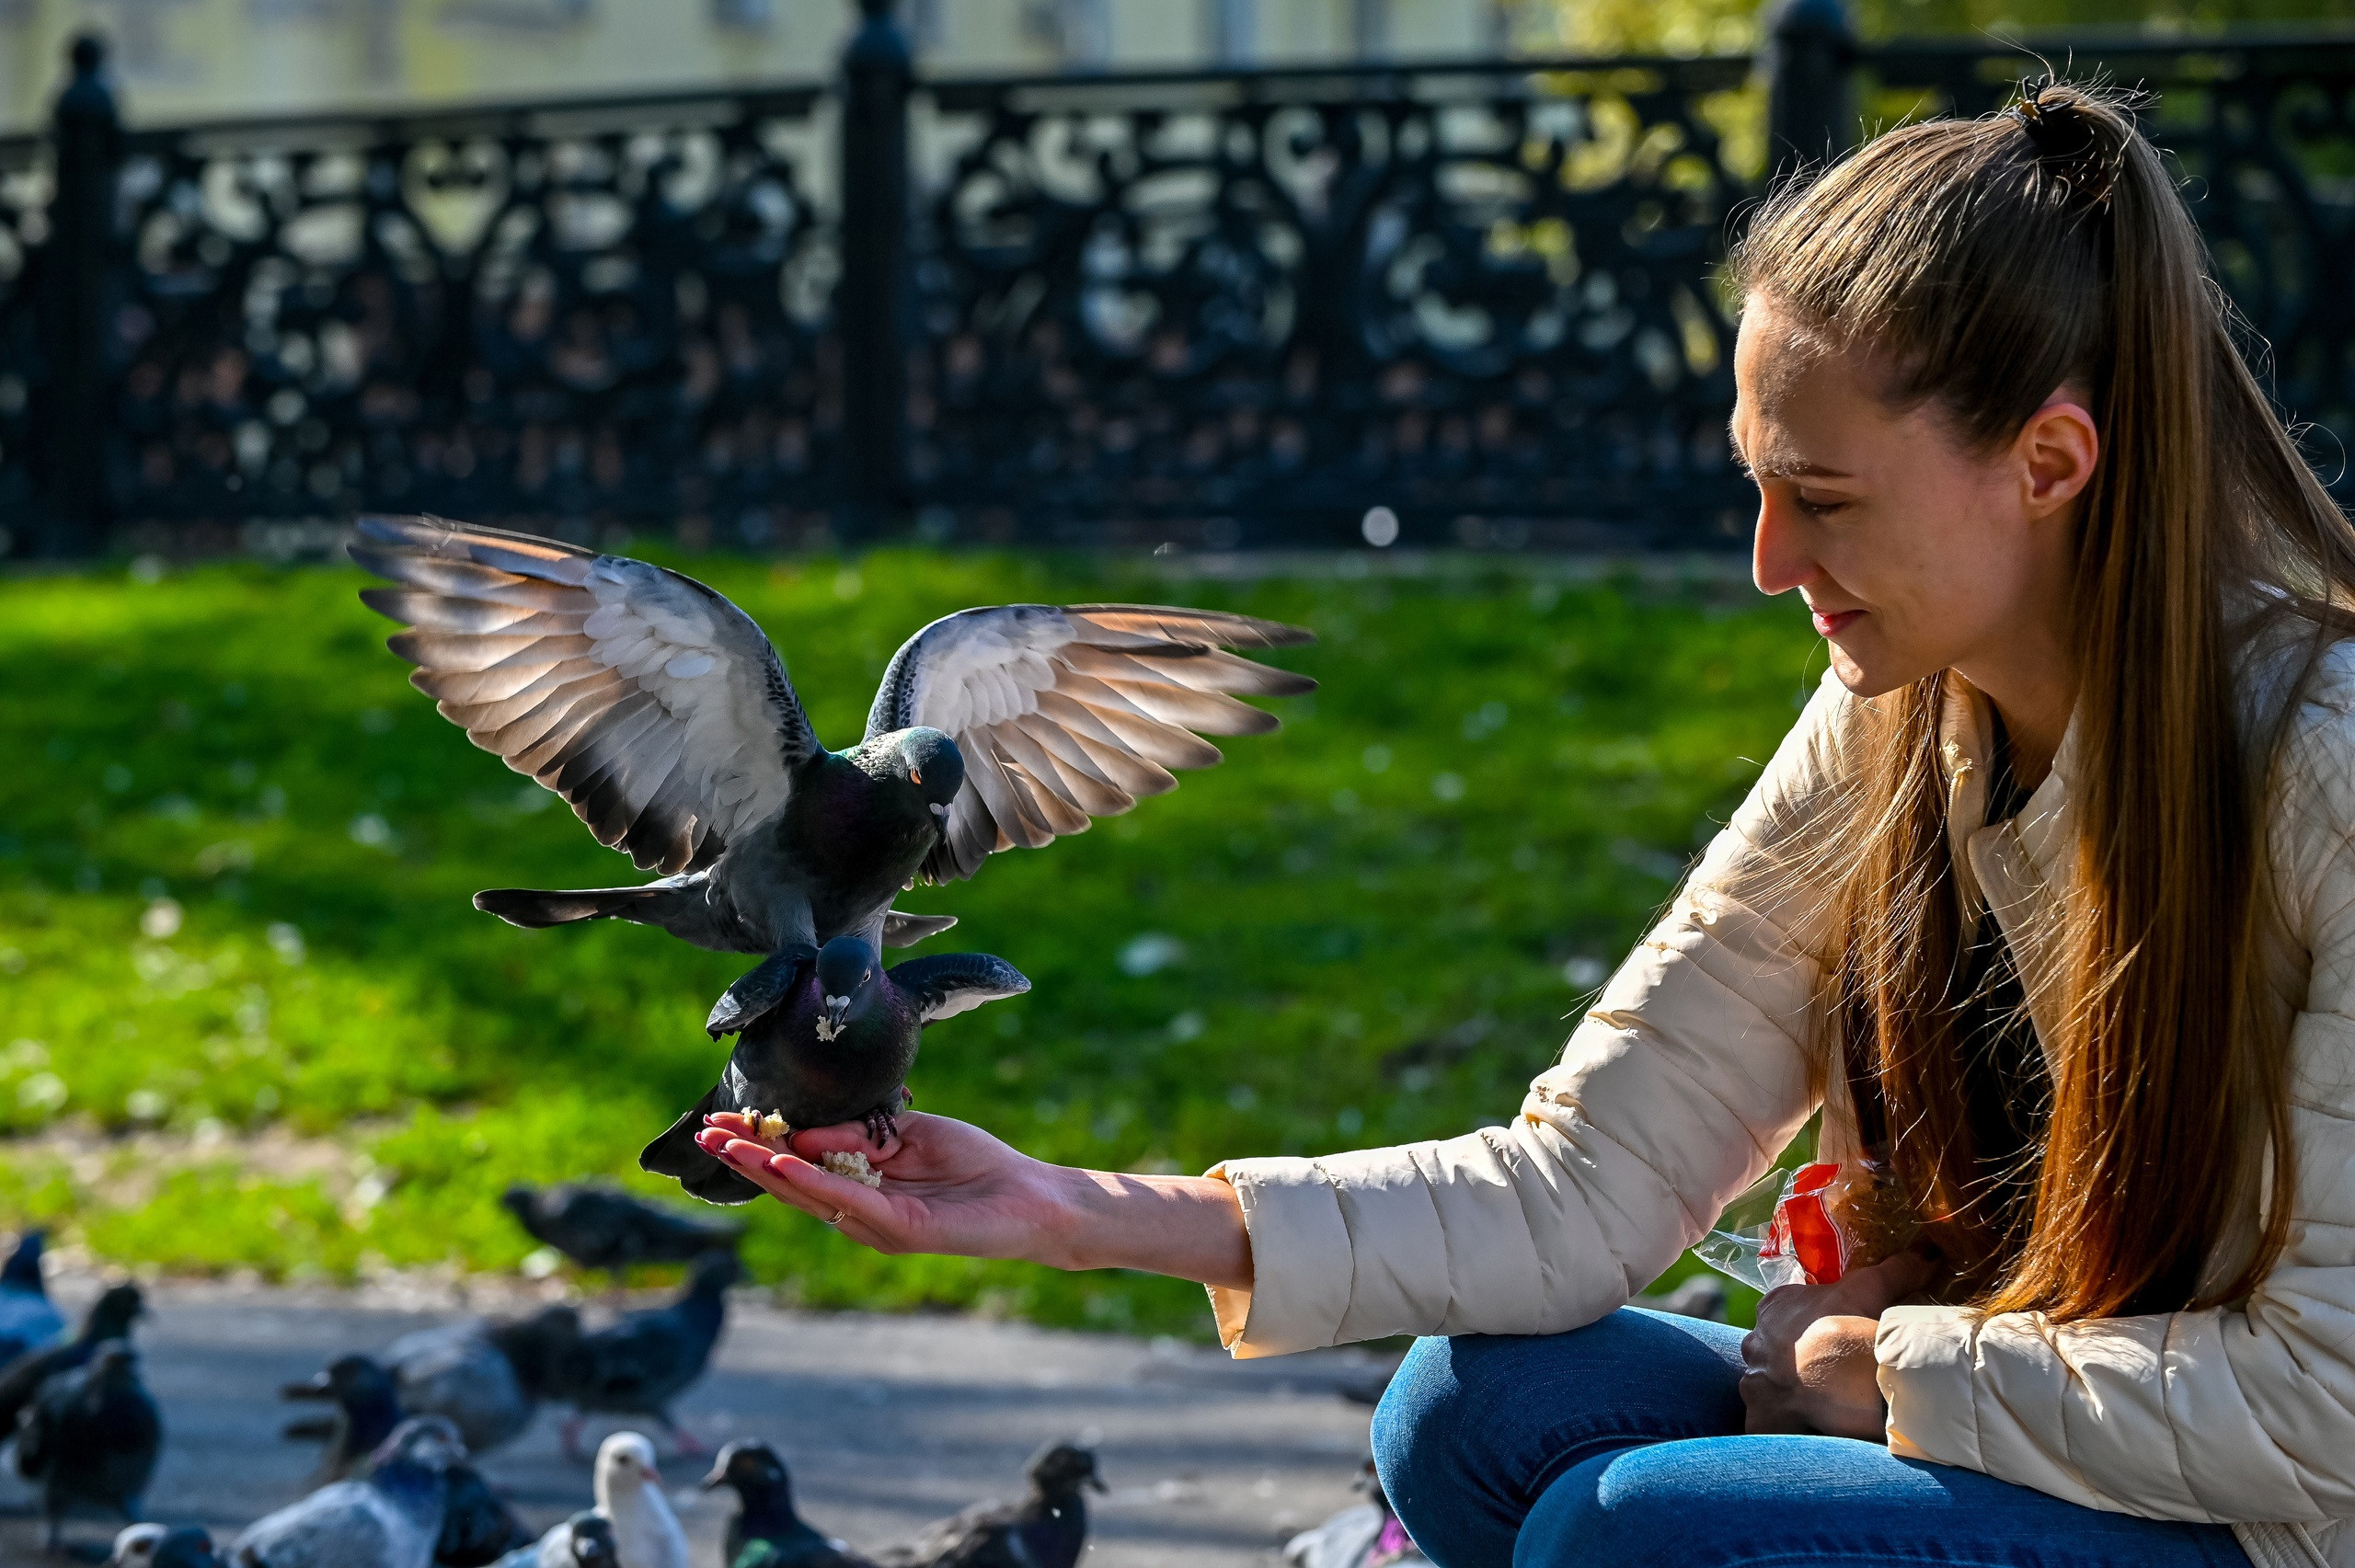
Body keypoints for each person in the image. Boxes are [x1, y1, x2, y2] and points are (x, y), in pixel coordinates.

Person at [689, 80, 2355, 1568]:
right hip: (2023, 1415)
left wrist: (1897, 1370)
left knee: (1634, 1533)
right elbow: (1580, 1182)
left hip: (2271, 1514)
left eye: (1826, 499)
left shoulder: (2323, 769)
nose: (1768, 561)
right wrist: (1073, 1208)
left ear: (2051, 462)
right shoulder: (1894, 714)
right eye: (1756, 482)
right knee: (1470, 1410)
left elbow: (2327, 1403)